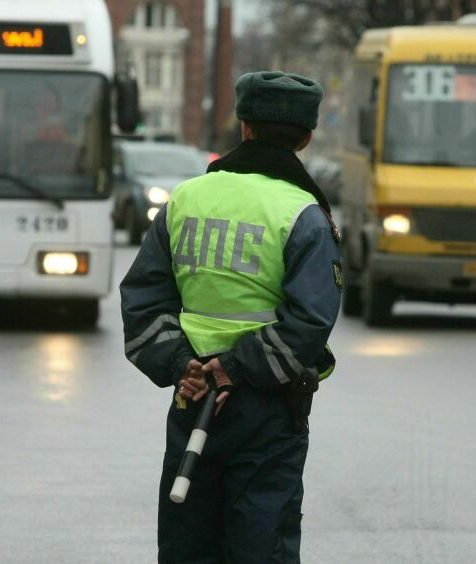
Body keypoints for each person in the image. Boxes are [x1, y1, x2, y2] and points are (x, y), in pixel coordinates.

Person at [120, 71, 342, 563]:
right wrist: (236, 369)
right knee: (261, 541)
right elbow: (310, 320)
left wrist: (185, 365)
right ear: (306, 138)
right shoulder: (302, 213)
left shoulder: (186, 198)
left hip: (192, 394)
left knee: (188, 540)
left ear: (243, 127)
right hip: (265, 406)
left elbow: (142, 299)